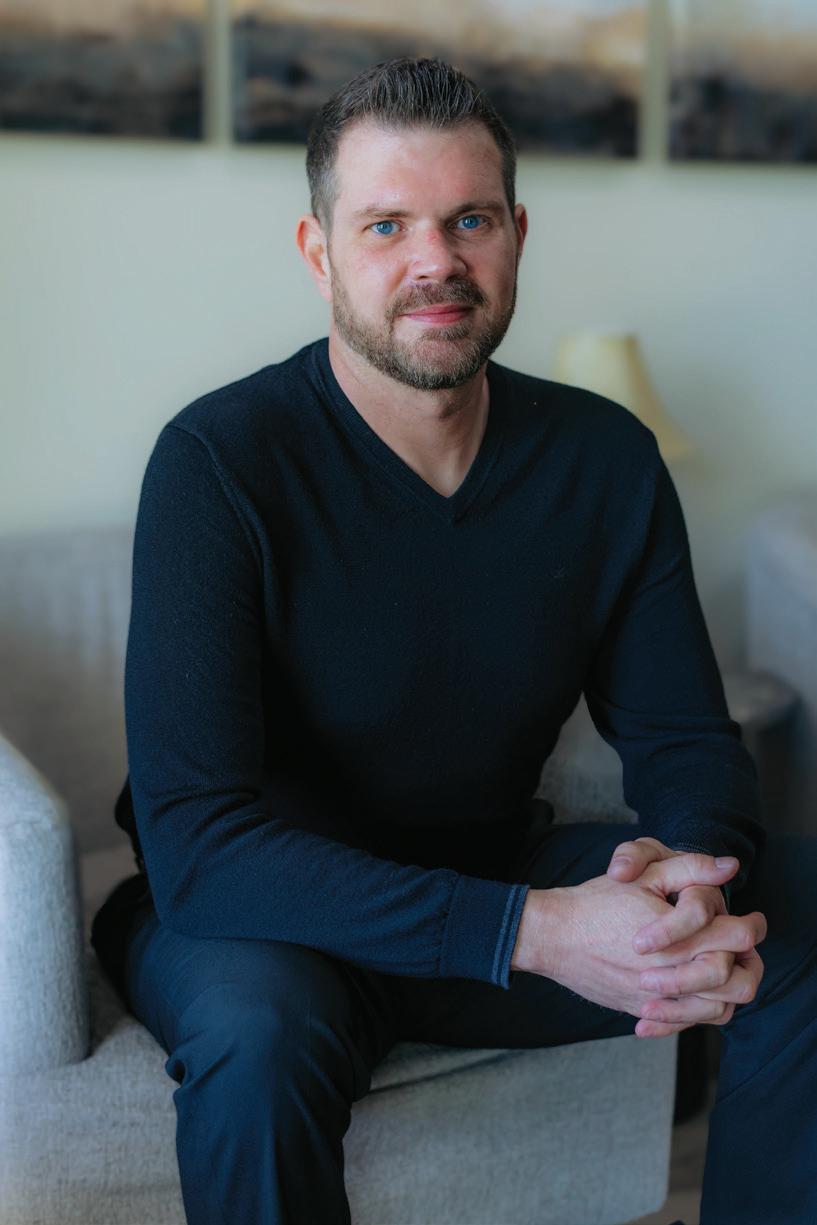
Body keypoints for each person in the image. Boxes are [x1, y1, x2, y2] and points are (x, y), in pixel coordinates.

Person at [90, 56, 816, 1225]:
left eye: (468, 219)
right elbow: (200, 847)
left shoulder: (603, 460)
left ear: (516, 236)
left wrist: (690, 886)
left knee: (794, 910)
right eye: (386, 226)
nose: (435, 260)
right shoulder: (218, 464)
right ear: (319, 254)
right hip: (269, 921)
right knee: (257, 1035)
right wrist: (536, 930)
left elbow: (684, 736)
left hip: (486, 868)